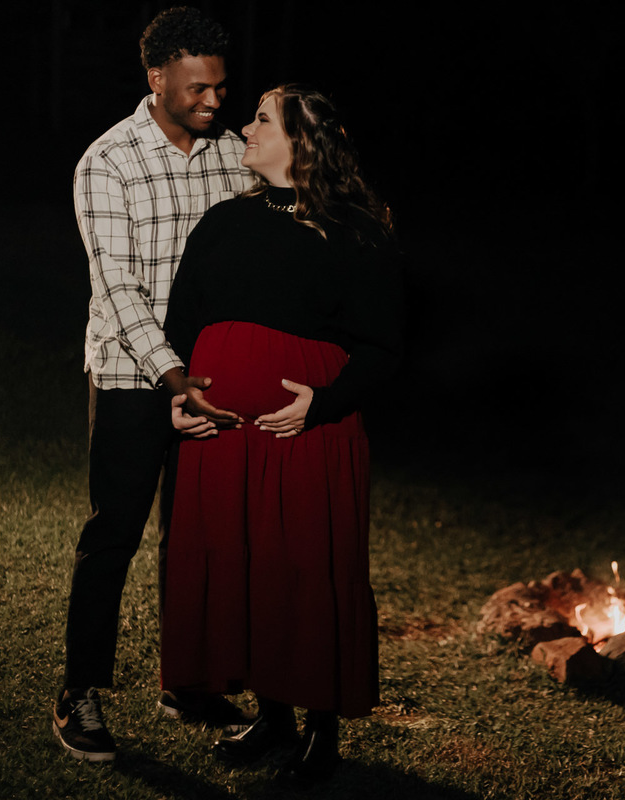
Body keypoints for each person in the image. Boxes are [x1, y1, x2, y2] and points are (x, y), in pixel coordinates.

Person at [160, 83, 403, 781]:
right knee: (244, 566)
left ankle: (320, 729)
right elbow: (182, 321)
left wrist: (322, 404)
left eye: (262, 119)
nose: (246, 127)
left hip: (306, 431)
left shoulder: (354, 229)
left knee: (303, 565)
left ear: (301, 141)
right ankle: (272, 718)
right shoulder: (223, 222)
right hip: (222, 433)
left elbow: (383, 346)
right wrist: (179, 396)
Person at [53, 6, 252, 762]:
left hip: (208, 377)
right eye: (198, 88)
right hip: (135, 375)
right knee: (114, 534)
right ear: (157, 78)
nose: (213, 101)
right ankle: (79, 692)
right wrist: (173, 379)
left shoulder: (233, 155)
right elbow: (118, 290)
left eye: (221, 88)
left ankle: (188, 682)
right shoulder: (107, 162)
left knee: (196, 539)